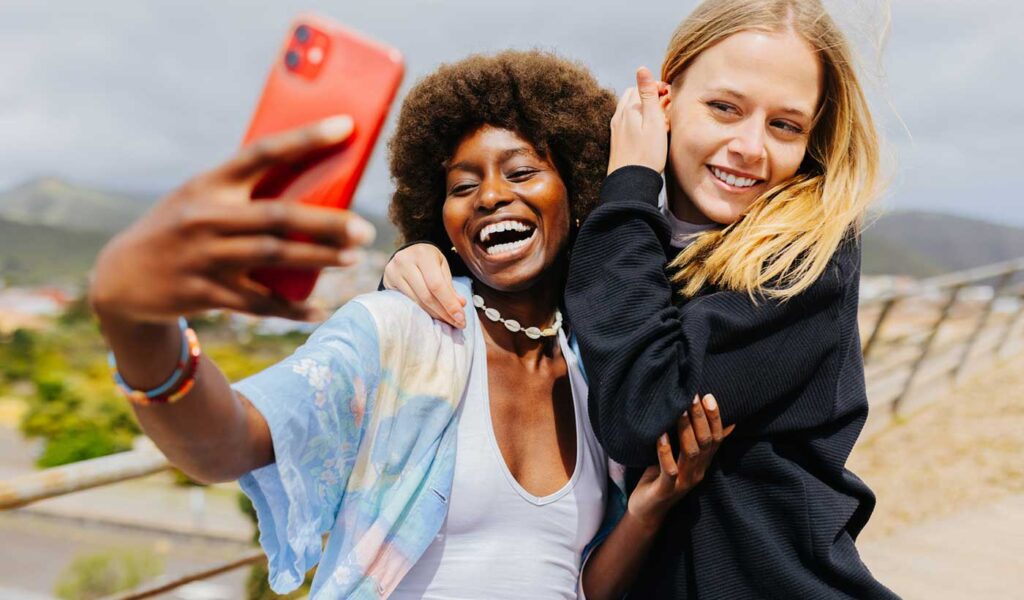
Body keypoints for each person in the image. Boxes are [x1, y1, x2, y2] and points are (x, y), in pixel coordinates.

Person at [89, 50, 730, 598]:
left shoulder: (596, 366)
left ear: (579, 189)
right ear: (437, 212)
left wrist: (649, 507)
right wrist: (140, 329)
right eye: (461, 184)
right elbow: (229, 442)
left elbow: (580, 585)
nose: (489, 196)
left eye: (522, 171)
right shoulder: (401, 331)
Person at [381, 0, 899, 598]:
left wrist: (629, 185)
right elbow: (511, 277)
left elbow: (640, 415)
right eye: (724, 107)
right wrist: (417, 266)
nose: (750, 146)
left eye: (785, 125)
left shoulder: (810, 259)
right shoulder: (614, 238)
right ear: (664, 98)